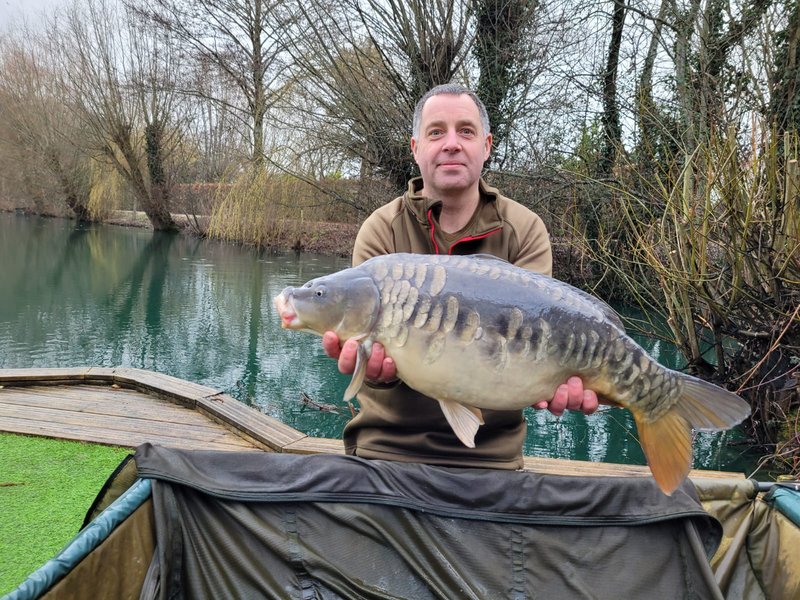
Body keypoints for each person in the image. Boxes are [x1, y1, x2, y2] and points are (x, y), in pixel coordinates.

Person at [323, 83, 598, 469]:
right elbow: (366, 354)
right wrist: (374, 373)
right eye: (436, 132)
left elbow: (537, 348)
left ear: (486, 145)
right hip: (384, 449)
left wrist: (561, 377)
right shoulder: (381, 229)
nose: (451, 143)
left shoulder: (524, 228)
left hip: (493, 457)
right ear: (415, 148)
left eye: (465, 131)